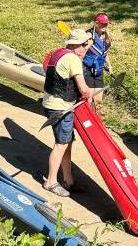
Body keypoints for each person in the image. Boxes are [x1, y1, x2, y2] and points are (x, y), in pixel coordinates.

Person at [41, 28, 95, 197]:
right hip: (61, 107)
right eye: (83, 45)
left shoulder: (58, 53)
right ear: (76, 45)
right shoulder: (73, 59)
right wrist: (92, 93)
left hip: (51, 103)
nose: (85, 49)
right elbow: (84, 90)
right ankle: (50, 182)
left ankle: (68, 180)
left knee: (67, 143)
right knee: (61, 144)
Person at [82, 12, 110, 98]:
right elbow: (80, 52)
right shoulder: (89, 35)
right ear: (96, 23)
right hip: (88, 69)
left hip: (99, 70)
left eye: (106, 24)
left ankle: (95, 111)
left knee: (98, 99)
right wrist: (88, 45)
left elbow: (105, 53)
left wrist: (109, 65)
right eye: (103, 24)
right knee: (90, 98)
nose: (105, 26)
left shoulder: (105, 36)